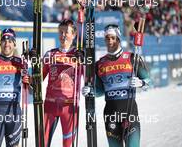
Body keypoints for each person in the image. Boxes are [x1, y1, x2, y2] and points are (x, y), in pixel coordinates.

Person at [82, 24, 150, 147]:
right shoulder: (99, 64)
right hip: (110, 115)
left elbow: (148, 82)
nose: (110, 41)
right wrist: (90, 91)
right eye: (107, 38)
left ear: (118, 39)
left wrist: (141, 83)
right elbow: (100, 91)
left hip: (130, 113)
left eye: (113, 38)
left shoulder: (132, 58)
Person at [40, 19, 83, 147]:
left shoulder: (78, 55)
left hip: (69, 106)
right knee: (43, 142)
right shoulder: (50, 54)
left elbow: (90, 80)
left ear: (74, 35)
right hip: (50, 105)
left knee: (68, 144)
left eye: (66, 32)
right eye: (61, 32)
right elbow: (36, 80)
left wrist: (84, 61)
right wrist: (32, 64)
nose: (63, 35)